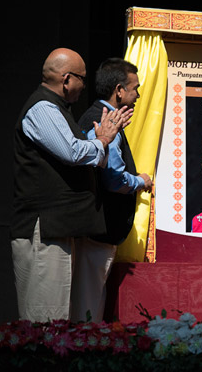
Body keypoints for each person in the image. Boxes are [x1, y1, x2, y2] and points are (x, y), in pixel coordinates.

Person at [11, 48, 131, 322]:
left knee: (59, 316)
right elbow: (73, 153)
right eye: (82, 79)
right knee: (45, 318)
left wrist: (99, 144)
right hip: (45, 227)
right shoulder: (42, 108)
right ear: (66, 79)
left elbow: (84, 156)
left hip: (60, 227)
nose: (83, 86)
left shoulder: (57, 109)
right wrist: (102, 141)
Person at [77, 58, 153, 322]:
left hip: (96, 227)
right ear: (119, 90)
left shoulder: (101, 116)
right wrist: (140, 181)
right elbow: (114, 179)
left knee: (91, 297)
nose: (138, 95)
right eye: (135, 88)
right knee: (88, 302)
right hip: (99, 227)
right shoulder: (104, 122)